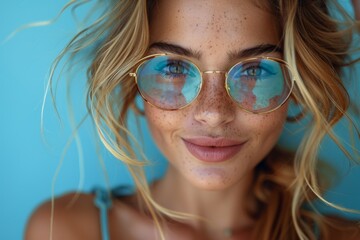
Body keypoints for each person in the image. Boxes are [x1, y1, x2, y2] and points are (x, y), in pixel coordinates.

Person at [25, 0, 360, 239]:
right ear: (134, 83)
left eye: (255, 69)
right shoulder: (65, 229)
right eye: (174, 67)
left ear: (298, 87)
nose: (213, 113)